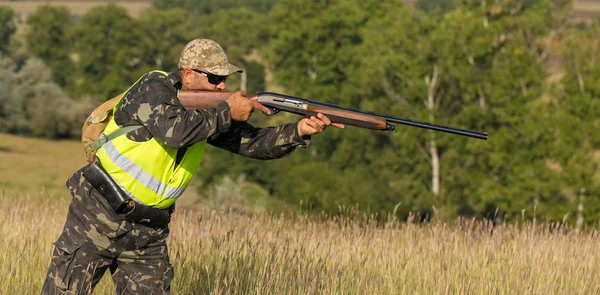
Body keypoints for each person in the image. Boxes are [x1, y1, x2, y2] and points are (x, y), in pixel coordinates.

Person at [41, 38, 343, 294]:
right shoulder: (153, 88)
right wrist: (227, 110)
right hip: (96, 217)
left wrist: (300, 131)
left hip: (148, 232)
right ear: (188, 75)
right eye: (214, 78)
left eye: (224, 79)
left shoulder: (207, 114)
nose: (222, 85)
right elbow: (175, 132)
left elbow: (253, 144)